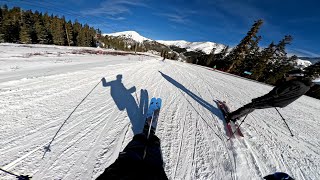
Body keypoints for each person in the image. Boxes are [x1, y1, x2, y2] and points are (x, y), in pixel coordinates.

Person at [227, 69, 314, 122]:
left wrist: (258, 99)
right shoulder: (305, 86)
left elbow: (275, 94)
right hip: (281, 102)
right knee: (255, 106)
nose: (285, 77)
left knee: (251, 105)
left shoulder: (292, 83)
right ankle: (237, 116)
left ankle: (231, 116)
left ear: (295, 76)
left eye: (287, 75)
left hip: (274, 100)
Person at [96, 133, 168, 180]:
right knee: (154, 166)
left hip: (123, 169)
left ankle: (143, 140)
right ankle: (150, 142)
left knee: (129, 158)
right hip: (153, 173)